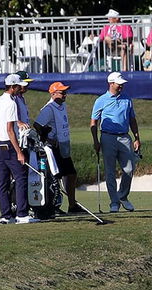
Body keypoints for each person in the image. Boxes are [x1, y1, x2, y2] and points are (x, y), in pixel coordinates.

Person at [90, 72, 140, 213]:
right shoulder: (101, 100)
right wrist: (95, 140)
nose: (121, 86)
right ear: (111, 83)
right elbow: (94, 122)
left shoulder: (127, 99)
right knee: (110, 171)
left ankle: (123, 196)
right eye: (119, 84)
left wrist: (137, 138)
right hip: (107, 137)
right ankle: (114, 202)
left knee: (129, 169)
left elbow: (132, 120)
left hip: (124, 137)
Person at [0, 74, 40, 224]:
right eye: (18, 86)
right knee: (20, 178)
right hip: (9, 144)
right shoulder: (11, 103)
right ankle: (21, 214)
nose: (21, 87)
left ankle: (6, 215)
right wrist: (19, 152)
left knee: (3, 182)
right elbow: (10, 129)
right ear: (13, 87)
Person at [34, 82, 84, 214]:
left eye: (65, 92)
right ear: (53, 94)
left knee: (71, 174)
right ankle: (54, 205)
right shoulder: (48, 109)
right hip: (53, 147)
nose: (65, 95)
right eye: (62, 92)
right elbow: (37, 125)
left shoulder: (62, 105)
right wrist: (49, 139)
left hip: (63, 145)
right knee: (55, 178)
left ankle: (72, 205)